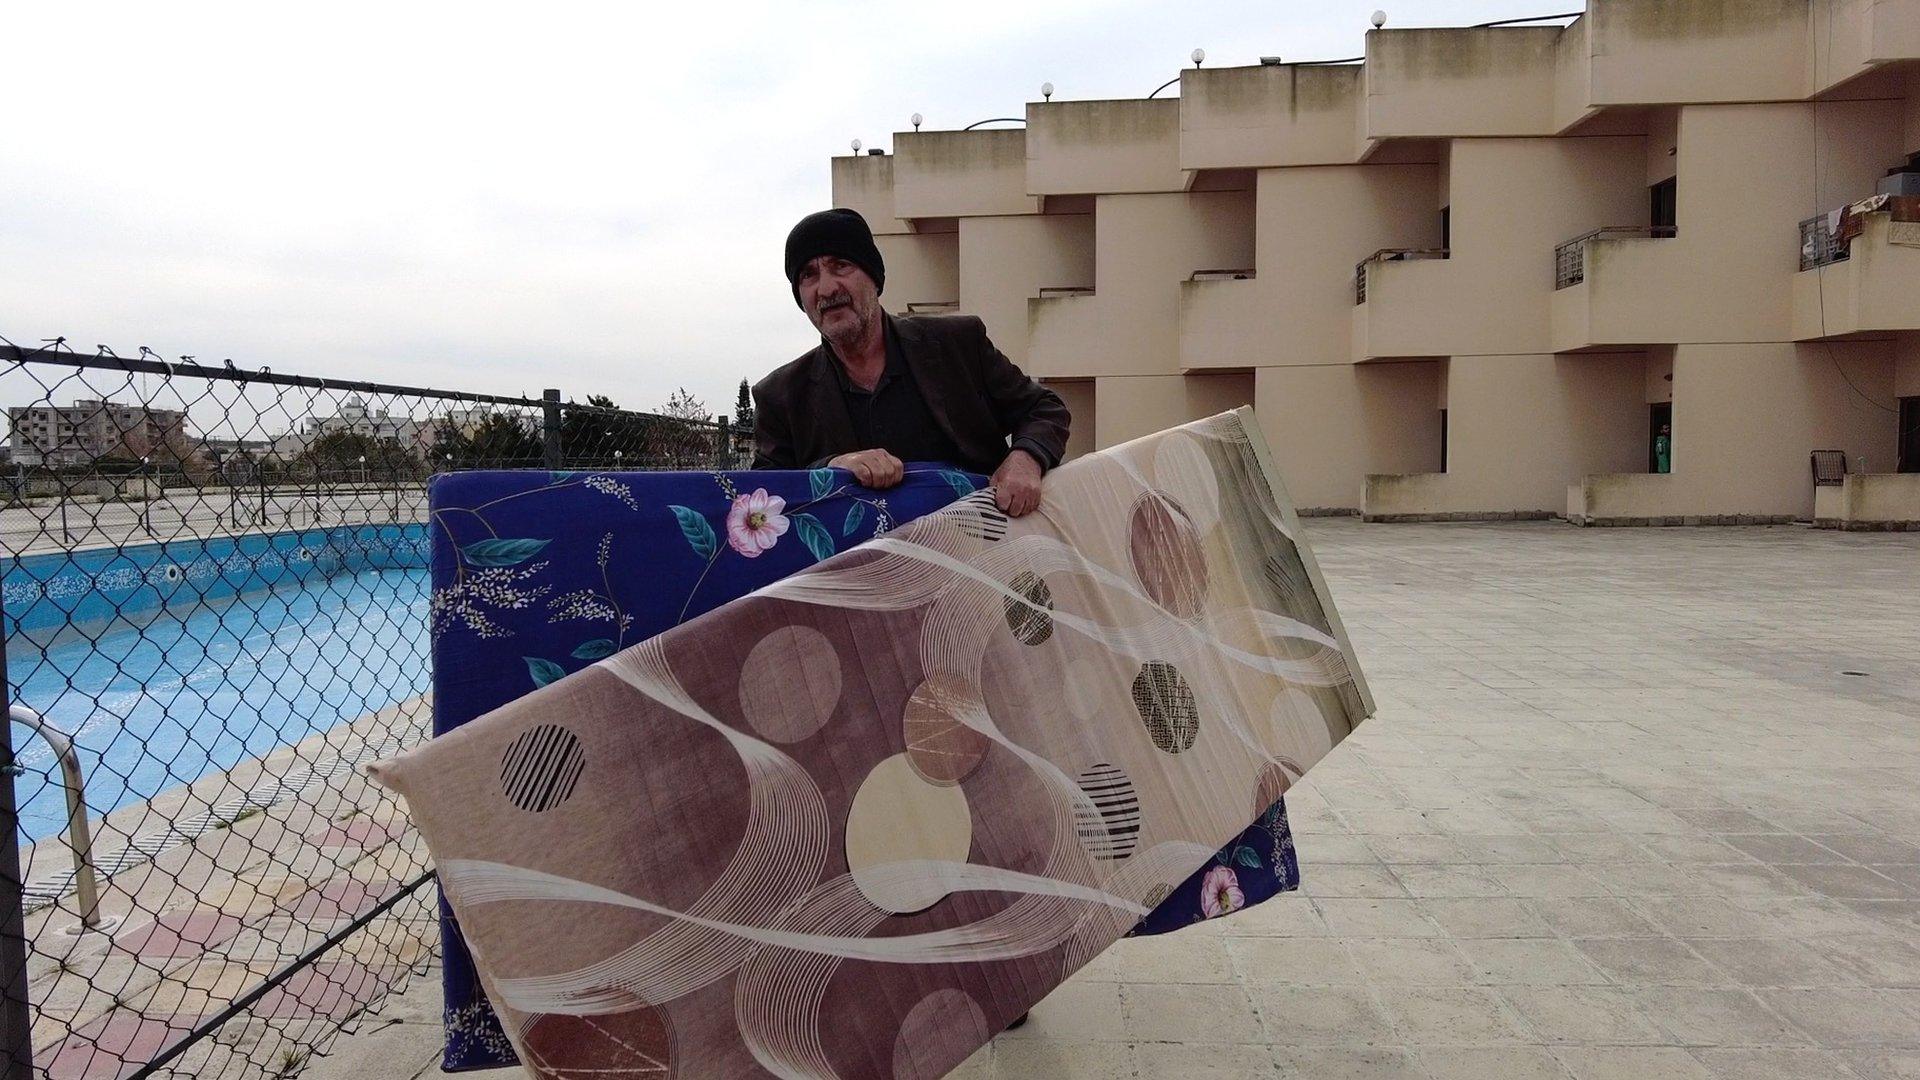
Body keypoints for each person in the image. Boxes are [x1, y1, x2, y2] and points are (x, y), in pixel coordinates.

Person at [751, 208, 1069, 517]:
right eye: (808, 275)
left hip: (981, 553)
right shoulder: (780, 395)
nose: (827, 288)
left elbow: (1044, 408)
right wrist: (833, 467)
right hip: (859, 569)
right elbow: (762, 496)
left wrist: (1026, 458)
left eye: (841, 265)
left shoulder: (957, 344)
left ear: (874, 278)